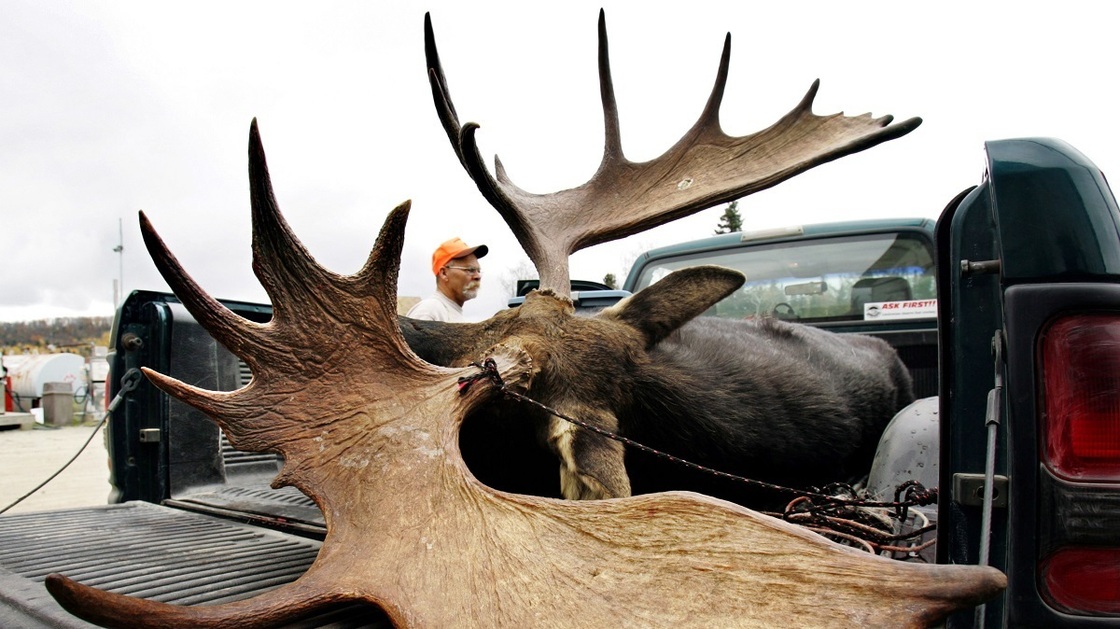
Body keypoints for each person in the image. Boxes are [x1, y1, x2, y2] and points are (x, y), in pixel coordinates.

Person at [406, 237, 488, 322]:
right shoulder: (429, 311)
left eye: (478, 271)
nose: (478, 276)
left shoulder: (451, 313)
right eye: (470, 270)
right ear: (444, 273)